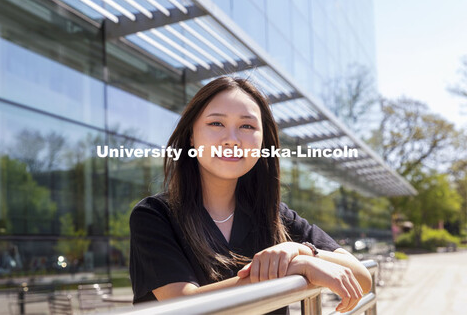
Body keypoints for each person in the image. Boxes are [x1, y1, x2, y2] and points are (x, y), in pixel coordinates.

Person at [129, 76, 372, 314]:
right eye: (216, 123)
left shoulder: (273, 216)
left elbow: (362, 278)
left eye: (247, 126)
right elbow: (186, 307)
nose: (231, 140)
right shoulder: (154, 216)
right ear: (191, 136)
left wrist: (302, 252)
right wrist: (295, 269)